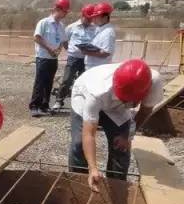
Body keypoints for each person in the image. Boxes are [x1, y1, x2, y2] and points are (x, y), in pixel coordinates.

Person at [69, 59, 163, 191]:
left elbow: (145, 111)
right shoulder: (96, 92)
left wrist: (128, 136)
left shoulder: (154, 81)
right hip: (84, 95)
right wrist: (93, 167)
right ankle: (79, 185)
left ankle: (117, 187)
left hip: (116, 107)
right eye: (127, 100)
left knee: (121, 147)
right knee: (79, 145)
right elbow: (89, 134)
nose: (132, 104)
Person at [51, 4, 97, 111]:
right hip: (73, 58)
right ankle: (59, 101)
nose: (89, 20)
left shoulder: (95, 28)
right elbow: (65, 42)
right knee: (67, 79)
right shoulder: (71, 27)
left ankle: (82, 103)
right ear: (82, 15)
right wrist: (72, 50)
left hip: (87, 59)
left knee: (84, 81)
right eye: (88, 18)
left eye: (91, 19)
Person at [30, 0, 70, 117]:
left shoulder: (61, 26)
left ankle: (44, 106)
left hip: (53, 58)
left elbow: (64, 42)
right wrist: (50, 48)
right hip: (43, 58)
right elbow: (37, 37)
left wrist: (73, 52)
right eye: (64, 11)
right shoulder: (44, 23)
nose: (65, 14)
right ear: (57, 9)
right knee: (40, 82)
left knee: (49, 82)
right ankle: (34, 106)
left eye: (66, 12)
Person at [82, 2, 115, 71]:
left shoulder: (108, 32)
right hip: (93, 67)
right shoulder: (100, 29)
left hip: (98, 68)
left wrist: (87, 52)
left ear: (105, 17)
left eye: (97, 16)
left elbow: (105, 53)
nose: (94, 19)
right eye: (94, 17)